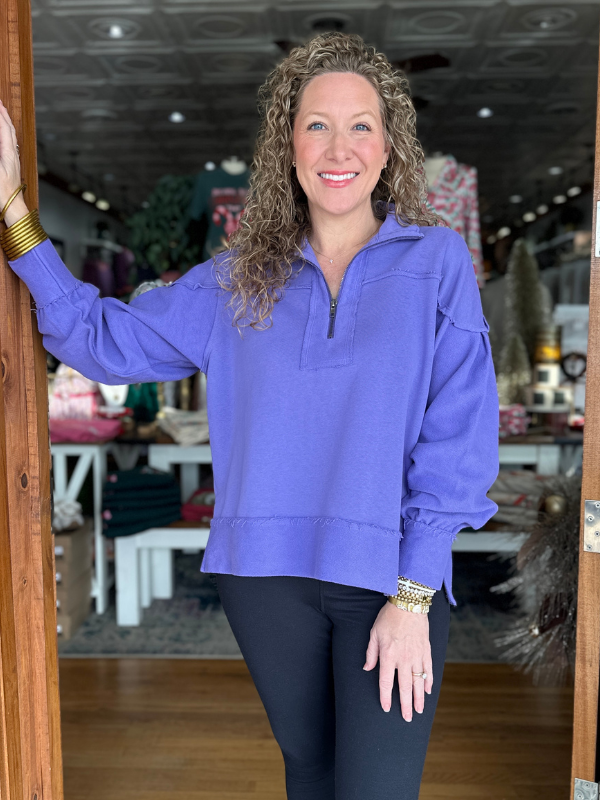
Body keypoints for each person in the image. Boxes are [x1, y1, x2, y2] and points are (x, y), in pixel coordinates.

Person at [0, 31, 499, 800]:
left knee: (377, 789)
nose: (340, 147)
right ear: (287, 145)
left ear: (392, 145)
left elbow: (459, 432)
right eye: (317, 124)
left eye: (361, 124)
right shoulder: (236, 278)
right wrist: (13, 214)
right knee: (311, 774)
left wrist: (412, 594)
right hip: (265, 581)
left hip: (391, 579)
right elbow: (100, 339)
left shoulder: (436, 263)